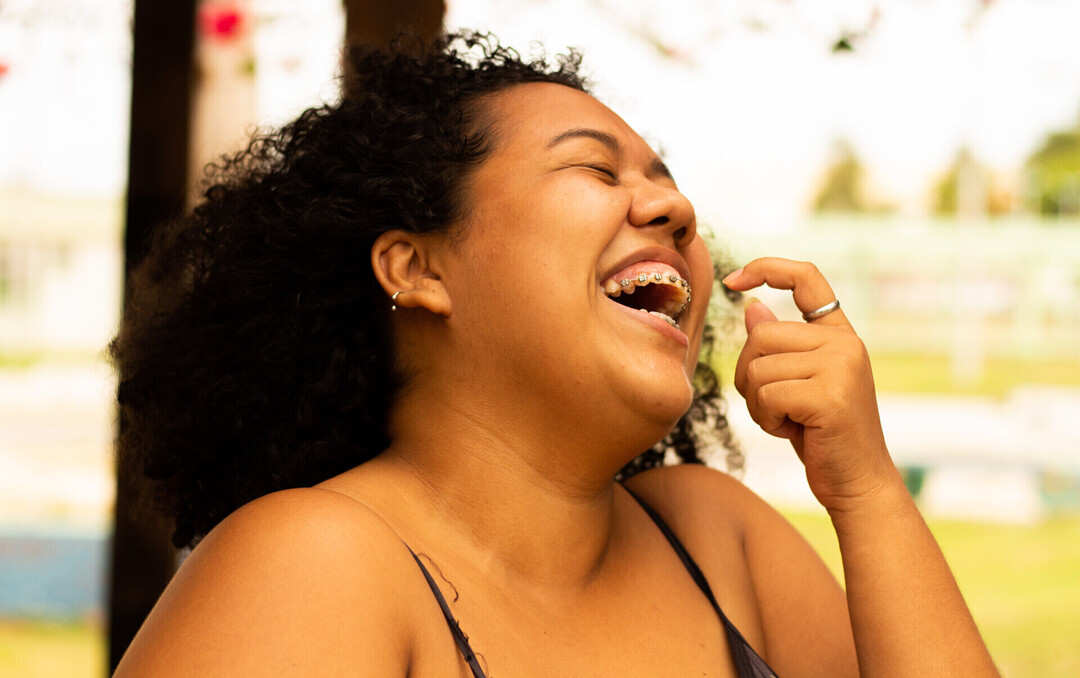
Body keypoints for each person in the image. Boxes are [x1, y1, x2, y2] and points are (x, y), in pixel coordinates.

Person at [111, 32, 1000, 677]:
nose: (677, 211)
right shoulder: (312, 560)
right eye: (597, 171)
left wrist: (866, 491)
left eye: (666, 183)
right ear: (418, 269)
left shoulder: (715, 538)